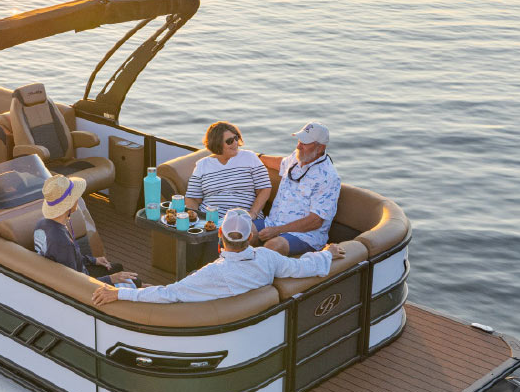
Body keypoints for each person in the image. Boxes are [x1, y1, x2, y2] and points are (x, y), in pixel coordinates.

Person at [92, 209, 342, 306]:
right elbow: (301, 268)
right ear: (250, 236)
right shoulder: (268, 258)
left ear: (220, 234)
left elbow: (170, 295)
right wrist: (326, 253)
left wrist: (118, 293)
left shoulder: (211, 274)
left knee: (131, 285)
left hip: (196, 318)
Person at [256, 121, 341, 256]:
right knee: (239, 229)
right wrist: (257, 156)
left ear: (320, 148)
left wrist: (277, 230)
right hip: (273, 224)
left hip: (305, 237)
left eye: (305, 143)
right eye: (299, 140)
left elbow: (315, 221)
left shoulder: (329, 177)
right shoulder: (297, 157)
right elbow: (280, 163)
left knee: (273, 246)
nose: (299, 146)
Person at [35, 174, 137, 286]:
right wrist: (111, 279)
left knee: (118, 267)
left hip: (74, 271)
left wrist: (93, 260)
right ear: (70, 204)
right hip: (82, 283)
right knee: (135, 281)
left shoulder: (41, 224)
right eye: (75, 197)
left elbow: (65, 258)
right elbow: (76, 284)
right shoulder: (62, 242)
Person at [184, 121, 272, 222]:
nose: (235, 143)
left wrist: (253, 213)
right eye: (229, 141)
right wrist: (194, 219)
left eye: (236, 138)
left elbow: (264, 189)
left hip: (243, 219)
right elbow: (193, 198)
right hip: (210, 219)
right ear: (217, 144)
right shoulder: (202, 165)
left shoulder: (250, 157)